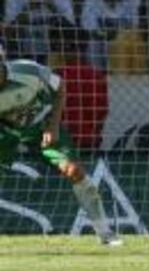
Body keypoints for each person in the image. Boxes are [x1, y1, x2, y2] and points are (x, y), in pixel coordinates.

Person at [0, 42, 121, 245]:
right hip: (7, 133)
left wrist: (53, 126)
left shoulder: (28, 71)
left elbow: (60, 86)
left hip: (41, 128)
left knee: (74, 171)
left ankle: (105, 233)